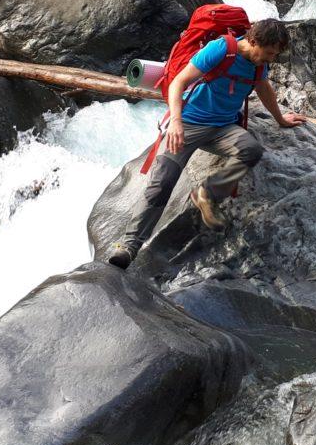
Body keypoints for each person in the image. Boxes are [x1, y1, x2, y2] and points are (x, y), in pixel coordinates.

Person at [108, 18, 306, 269]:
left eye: (274, 55)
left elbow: (264, 88)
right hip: (188, 124)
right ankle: (128, 246)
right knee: (162, 183)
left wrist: (281, 119)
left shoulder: (258, 64)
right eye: (268, 53)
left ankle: (206, 194)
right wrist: (176, 122)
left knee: (251, 149)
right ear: (253, 41)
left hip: (223, 128)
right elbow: (179, 81)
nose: (270, 59)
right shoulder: (222, 49)